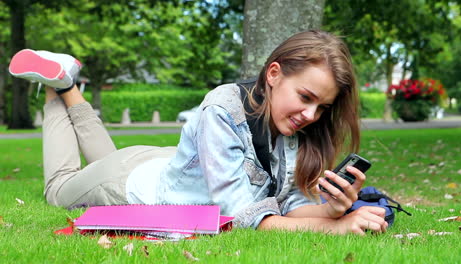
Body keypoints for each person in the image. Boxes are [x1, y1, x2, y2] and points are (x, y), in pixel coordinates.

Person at [9, 30, 388, 235]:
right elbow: (241, 215)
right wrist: (332, 230)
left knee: (106, 159)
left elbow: (284, 201)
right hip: (128, 186)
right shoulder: (223, 107)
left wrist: (330, 209)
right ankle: (58, 83)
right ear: (273, 74)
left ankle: (66, 84)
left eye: (322, 107)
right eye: (305, 97)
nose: (311, 114)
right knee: (59, 188)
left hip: (164, 164)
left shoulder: (290, 125)